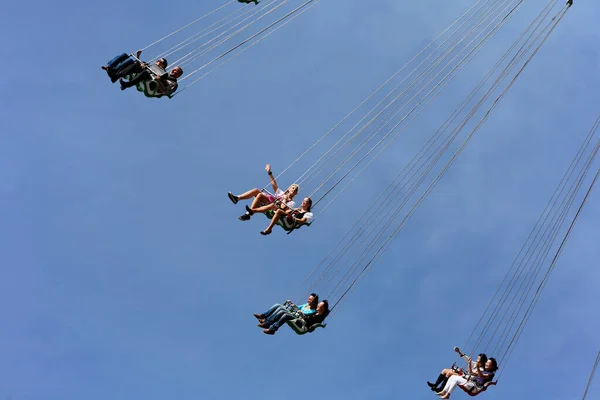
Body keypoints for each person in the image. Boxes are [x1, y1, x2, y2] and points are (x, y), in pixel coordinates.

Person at [228, 164, 299, 221]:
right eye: (293, 188)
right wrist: (269, 172)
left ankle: (248, 214)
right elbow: (273, 183)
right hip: (269, 200)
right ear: (289, 189)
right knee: (256, 191)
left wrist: (285, 199)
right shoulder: (281, 193)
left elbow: (282, 208)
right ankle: (237, 198)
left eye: (295, 190)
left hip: (274, 207)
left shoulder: (292, 202)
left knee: (260, 195)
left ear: (295, 193)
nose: (293, 190)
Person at [261, 300, 329, 335]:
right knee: (282, 311)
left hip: (302, 326)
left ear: (323, 308)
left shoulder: (319, 318)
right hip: (299, 320)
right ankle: (268, 323)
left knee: (286, 315)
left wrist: (303, 316)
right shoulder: (314, 312)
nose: (318, 305)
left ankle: (272, 329)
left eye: (320, 304)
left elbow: (311, 323)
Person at [253, 294, 318, 326]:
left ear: (314, 301)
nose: (308, 300)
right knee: (277, 305)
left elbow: (306, 316)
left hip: (298, 318)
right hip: (293, 313)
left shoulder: (313, 311)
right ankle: (263, 316)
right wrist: (292, 304)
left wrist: (300, 312)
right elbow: (298, 307)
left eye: (310, 299)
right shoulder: (306, 305)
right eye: (308, 299)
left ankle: (267, 323)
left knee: (281, 310)